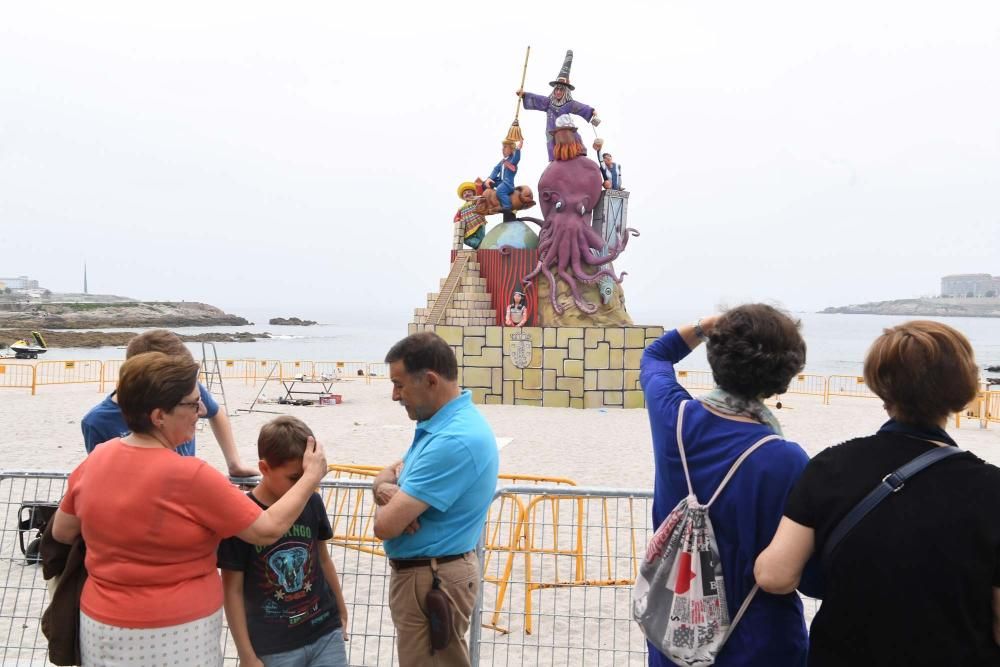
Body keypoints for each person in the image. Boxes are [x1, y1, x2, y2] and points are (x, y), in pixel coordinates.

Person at [51, 352, 328, 666]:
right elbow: (266, 530)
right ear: (159, 416)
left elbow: (63, 530)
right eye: (191, 404)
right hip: (177, 632)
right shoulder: (190, 475)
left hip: (102, 624)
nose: (200, 410)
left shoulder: (96, 459)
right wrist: (311, 477)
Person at [755, 320, 1000, 666]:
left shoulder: (831, 466)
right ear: (960, 388)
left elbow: (775, 576)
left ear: (881, 385)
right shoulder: (990, 489)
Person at [640, 305, 818, 667]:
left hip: (675, 636)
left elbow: (656, 354)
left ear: (716, 355)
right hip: (760, 644)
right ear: (784, 377)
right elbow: (807, 576)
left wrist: (707, 326)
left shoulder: (674, 420)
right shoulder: (787, 460)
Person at [372, 332, 499, 667]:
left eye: (399, 384)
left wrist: (391, 498)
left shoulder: (454, 439)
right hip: (432, 573)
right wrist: (382, 487)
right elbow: (389, 474)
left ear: (430, 380)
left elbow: (385, 525)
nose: (395, 395)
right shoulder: (442, 426)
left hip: (432, 578)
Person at [219, 416, 349, 667]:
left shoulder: (312, 502)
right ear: (264, 468)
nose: (305, 484)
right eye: (294, 478)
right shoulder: (241, 516)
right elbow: (232, 590)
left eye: (308, 476)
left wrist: (341, 610)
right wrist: (246, 654)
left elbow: (322, 559)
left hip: (325, 631)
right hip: (273, 645)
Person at [81, 329, 257, 477]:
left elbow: (216, 412)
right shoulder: (97, 422)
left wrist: (234, 463)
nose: (200, 410)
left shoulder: (187, 389)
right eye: (192, 405)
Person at [517, 49, 600, 161]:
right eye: (557, 90)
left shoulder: (569, 104)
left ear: (565, 92)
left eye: (561, 90)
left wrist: (591, 111)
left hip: (566, 128)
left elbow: (581, 108)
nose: (558, 92)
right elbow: (537, 99)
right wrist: (524, 95)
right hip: (551, 129)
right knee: (550, 140)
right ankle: (553, 160)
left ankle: (579, 153)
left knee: (573, 137)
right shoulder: (548, 103)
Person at [484, 140, 522, 221]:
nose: (502, 149)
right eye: (503, 147)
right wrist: (490, 178)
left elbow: (516, 159)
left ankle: (507, 207)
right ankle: (488, 204)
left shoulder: (512, 160)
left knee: (500, 190)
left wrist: (518, 149)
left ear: (511, 149)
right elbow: (496, 169)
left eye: (505, 147)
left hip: (508, 183)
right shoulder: (502, 161)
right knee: (485, 184)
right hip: (500, 181)